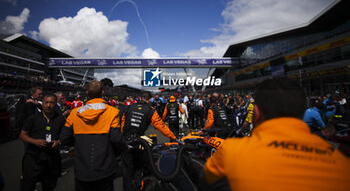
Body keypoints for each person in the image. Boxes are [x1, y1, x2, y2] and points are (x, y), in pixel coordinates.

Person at [201, 77, 350, 191]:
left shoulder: (230, 152)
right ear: (303, 111)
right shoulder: (343, 165)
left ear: (257, 113)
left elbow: (203, 184)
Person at [60, 80, 125, 191]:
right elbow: (116, 139)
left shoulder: (74, 113)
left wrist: (78, 144)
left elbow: (64, 138)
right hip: (105, 167)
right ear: (102, 93)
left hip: (81, 169)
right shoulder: (112, 112)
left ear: (87, 93)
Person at [121, 92, 176, 191]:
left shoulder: (128, 107)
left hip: (125, 142)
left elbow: (122, 125)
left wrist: (123, 138)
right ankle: (138, 187)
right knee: (138, 167)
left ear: (140, 98)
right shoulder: (151, 111)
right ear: (150, 99)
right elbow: (161, 126)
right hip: (139, 143)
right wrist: (173, 137)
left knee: (126, 172)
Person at [19, 93, 65, 191]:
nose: (48, 105)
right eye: (46, 102)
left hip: (51, 160)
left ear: (55, 104)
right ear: (42, 103)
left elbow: (65, 136)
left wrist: (58, 142)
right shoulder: (33, 118)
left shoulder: (60, 120)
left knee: (49, 187)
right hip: (33, 159)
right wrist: (35, 141)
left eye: (51, 103)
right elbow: (22, 135)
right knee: (27, 186)